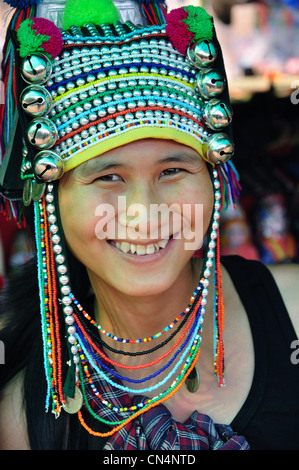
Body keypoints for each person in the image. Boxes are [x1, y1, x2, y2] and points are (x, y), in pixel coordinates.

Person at [0, 0, 298, 451]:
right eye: (108, 177)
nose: (143, 213)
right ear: (53, 200)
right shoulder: (19, 422)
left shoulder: (293, 311)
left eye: (172, 172)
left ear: (213, 179)